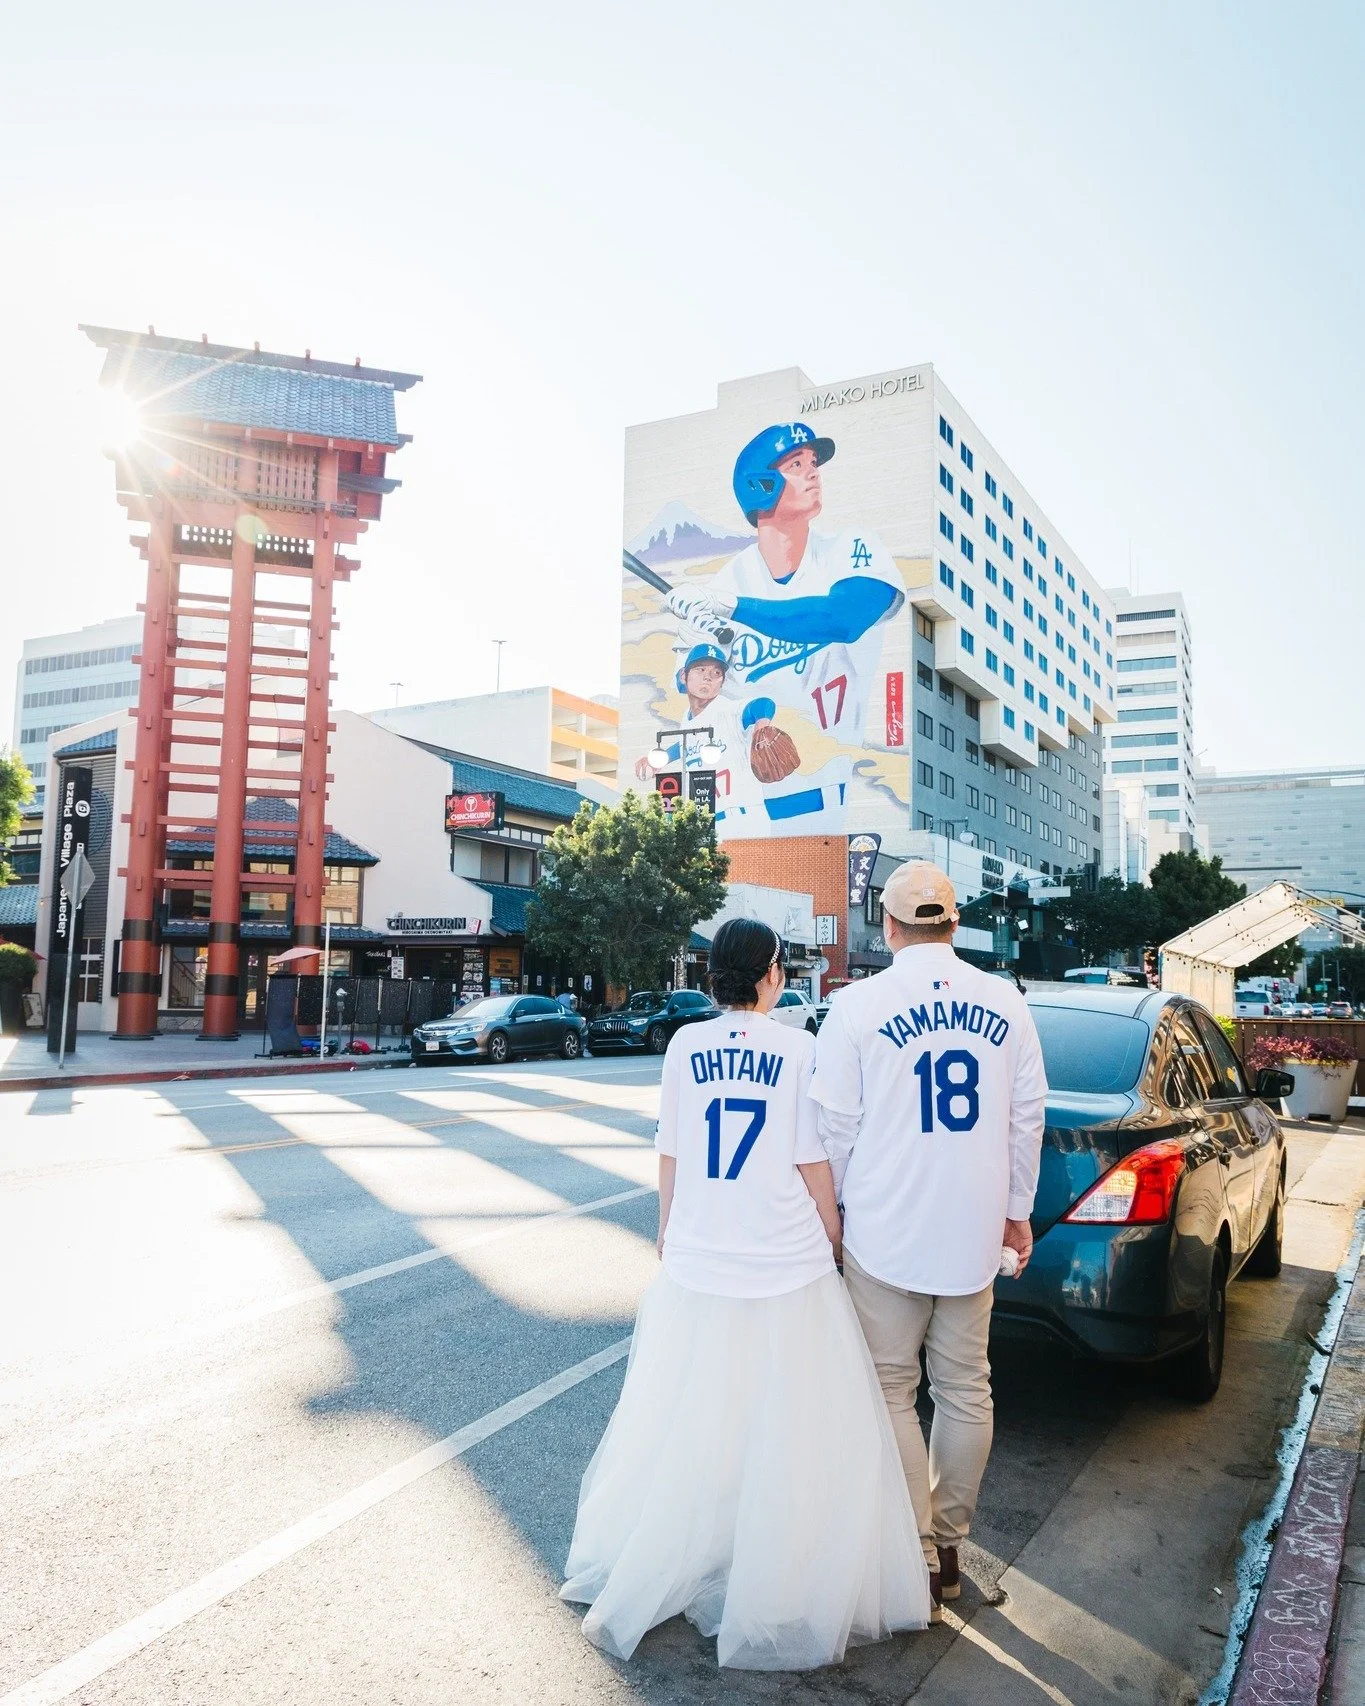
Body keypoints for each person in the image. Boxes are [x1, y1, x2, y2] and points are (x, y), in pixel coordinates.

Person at [562, 918, 930, 1669]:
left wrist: (669, 1227)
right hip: (782, 1257)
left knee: (695, 1413)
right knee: (790, 1421)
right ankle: (777, 1570)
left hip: (702, 1252)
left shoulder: (684, 1046)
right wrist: (833, 1233)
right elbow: (809, 1160)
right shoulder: (798, 1049)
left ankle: (687, 1549)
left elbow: (671, 1147)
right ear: (768, 973)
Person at [810, 861, 1047, 1617]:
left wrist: (836, 1212)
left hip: (884, 1229)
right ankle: (950, 1544)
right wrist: (1016, 1209)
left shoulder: (858, 1005)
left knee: (889, 1389)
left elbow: (834, 1126)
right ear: (952, 924)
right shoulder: (1004, 1001)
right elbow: (1026, 1116)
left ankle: (913, 1551)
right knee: (964, 1387)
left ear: (888, 925)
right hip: (971, 1230)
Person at [665, 422, 905, 833]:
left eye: (813, 463)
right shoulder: (724, 581)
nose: (814, 472)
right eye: (796, 464)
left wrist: (733, 608)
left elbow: (842, 619)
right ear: (761, 486)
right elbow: (696, 701)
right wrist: (695, 647)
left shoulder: (850, 548)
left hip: (826, 804)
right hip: (737, 810)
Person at [632, 641, 791, 829]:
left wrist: (761, 725)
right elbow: (685, 746)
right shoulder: (688, 718)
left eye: (716, 673)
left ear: (722, 682)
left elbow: (763, 703)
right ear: (684, 676)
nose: (708, 677)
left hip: (742, 818)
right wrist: (658, 760)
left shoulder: (727, 710)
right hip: (705, 823)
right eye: (700, 670)